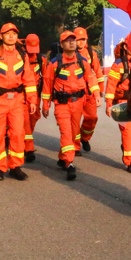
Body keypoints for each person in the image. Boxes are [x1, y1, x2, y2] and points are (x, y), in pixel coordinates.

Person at [0, 23, 38, 181]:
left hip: (17, 100)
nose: (11, 36)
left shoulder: (22, 55)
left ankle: (15, 167)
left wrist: (32, 100)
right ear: (1, 36)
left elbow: (29, 79)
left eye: (14, 33)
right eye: (7, 33)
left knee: (18, 134)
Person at [41, 30, 98, 181]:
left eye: (73, 40)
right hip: (62, 104)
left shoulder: (82, 61)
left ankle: (62, 157)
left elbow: (91, 78)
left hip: (78, 103)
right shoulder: (54, 63)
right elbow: (47, 85)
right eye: (68, 41)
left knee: (73, 133)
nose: (72, 43)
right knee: (66, 132)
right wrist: (45, 105)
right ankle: (69, 163)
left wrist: (97, 94)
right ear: (61, 45)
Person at [104, 41, 131, 173]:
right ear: (126, 47)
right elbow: (111, 84)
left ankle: (128, 148)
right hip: (123, 102)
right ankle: (130, 161)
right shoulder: (119, 64)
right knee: (127, 131)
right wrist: (109, 103)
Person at [73, 27, 101, 152]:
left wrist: (99, 92)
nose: (81, 42)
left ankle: (84, 138)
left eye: (83, 39)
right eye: (79, 39)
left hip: (90, 92)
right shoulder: (69, 53)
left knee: (92, 118)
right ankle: (75, 146)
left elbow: (98, 73)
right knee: (74, 120)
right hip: (75, 93)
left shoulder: (91, 54)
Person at [23, 34, 44, 163]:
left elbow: (46, 79)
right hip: (22, 93)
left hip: (35, 93)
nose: (32, 53)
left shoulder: (41, 59)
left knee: (33, 117)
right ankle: (28, 148)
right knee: (24, 121)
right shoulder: (20, 56)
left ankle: (24, 140)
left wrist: (46, 102)